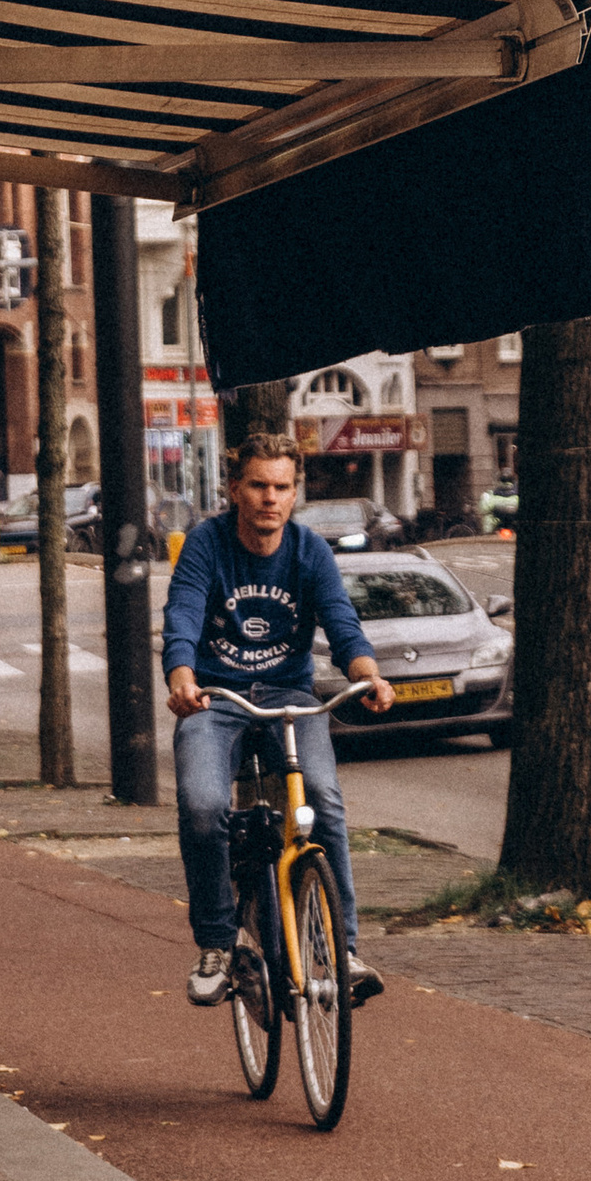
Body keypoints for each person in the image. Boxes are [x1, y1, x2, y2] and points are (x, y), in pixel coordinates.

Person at [162, 430, 395, 1014]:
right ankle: (217, 945)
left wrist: (369, 675)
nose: (271, 498)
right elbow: (184, 616)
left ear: (295, 494)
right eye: (259, 486)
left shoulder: (309, 550)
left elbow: (342, 625)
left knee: (322, 797)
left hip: (290, 696)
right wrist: (181, 678)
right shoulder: (206, 545)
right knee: (202, 803)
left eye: (282, 488)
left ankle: (344, 952)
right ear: (235, 489)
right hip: (214, 698)